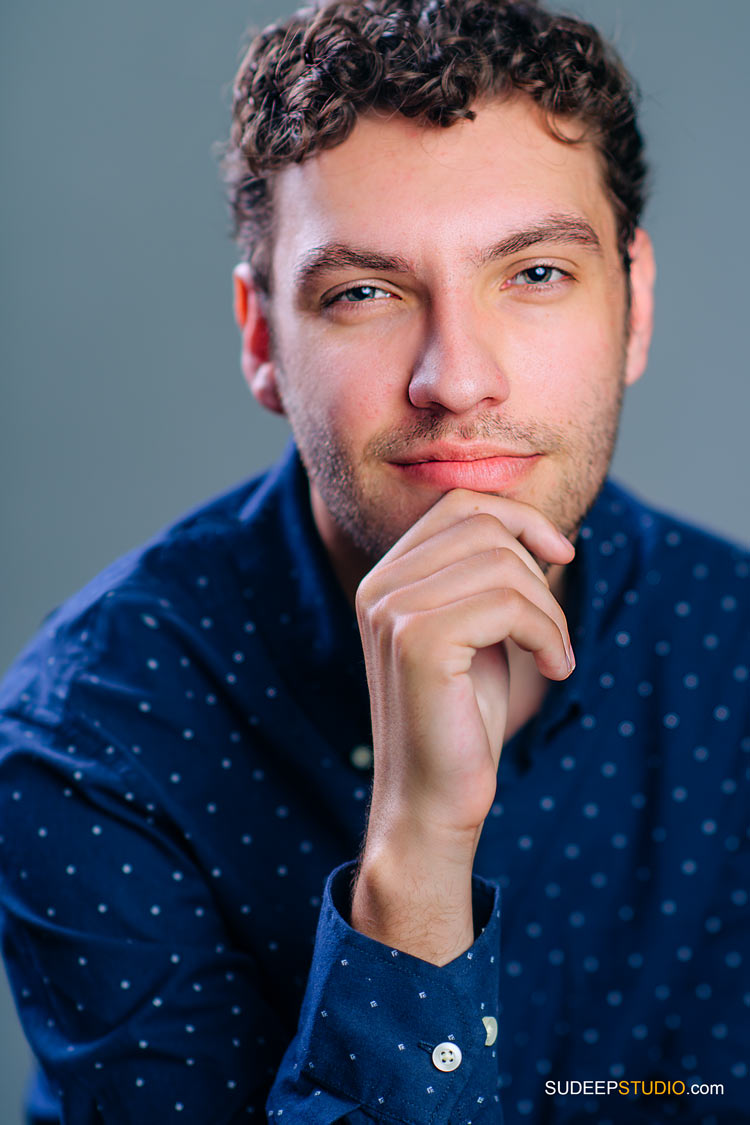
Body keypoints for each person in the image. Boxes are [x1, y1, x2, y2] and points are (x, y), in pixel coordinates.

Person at [0, 0, 748, 1121]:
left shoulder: (733, 650)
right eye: (365, 293)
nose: (456, 378)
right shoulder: (91, 739)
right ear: (263, 342)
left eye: (536, 274)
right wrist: (414, 857)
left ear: (633, 306)